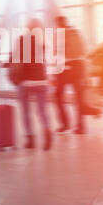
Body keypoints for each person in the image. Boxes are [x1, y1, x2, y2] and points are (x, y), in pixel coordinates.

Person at [10, 20, 52, 150]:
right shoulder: (43, 42)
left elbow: (16, 58)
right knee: (42, 111)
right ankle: (47, 132)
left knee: (26, 111)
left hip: (26, 82)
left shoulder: (21, 40)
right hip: (42, 81)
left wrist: (8, 64)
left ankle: (30, 140)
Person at [52, 14, 89, 134]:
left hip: (64, 69)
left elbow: (56, 55)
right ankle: (81, 126)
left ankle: (65, 124)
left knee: (57, 96)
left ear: (58, 24)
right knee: (79, 98)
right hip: (78, 67)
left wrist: (54, 74)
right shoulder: (76, 33)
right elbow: (84, 51)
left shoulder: (58, 35)